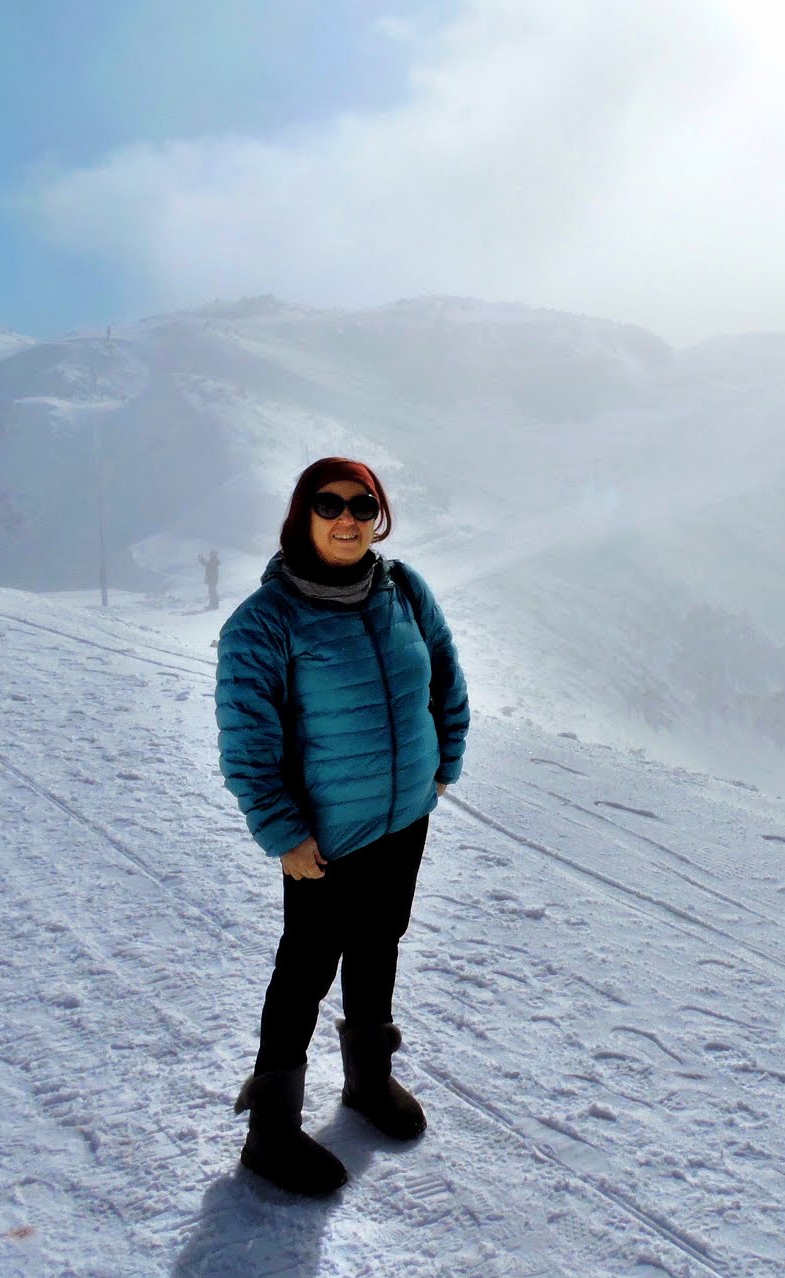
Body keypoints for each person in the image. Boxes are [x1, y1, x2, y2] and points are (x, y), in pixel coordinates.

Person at [214, 457, 469, 1196]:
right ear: (303, 515)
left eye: (363, 505)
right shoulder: (266, 622)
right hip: (323, 839)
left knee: (380, 940)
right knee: (306, 969)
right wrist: (282, 833)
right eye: (329, 504)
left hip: (405, 816)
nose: (348, 518)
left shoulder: (402, 590)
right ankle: (269, 1134)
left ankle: (367, 1079)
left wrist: (444, 762)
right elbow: (247, 742)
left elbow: (445, 675)